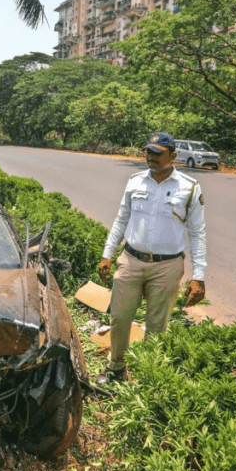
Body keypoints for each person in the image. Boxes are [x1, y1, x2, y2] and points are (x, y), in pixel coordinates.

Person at [95, 132, 207, 383]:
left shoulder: (189, 188)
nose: (151, 157)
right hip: (131, 260)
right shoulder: (135, 181)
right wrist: (107, 253)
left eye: (158, 153)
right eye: (148, 152)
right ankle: (116, 368)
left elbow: (197, 233)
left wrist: (198, 276)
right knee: (120, 317)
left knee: (157, 325)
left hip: (166, 266)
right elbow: (121, 219)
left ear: (173, 156)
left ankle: (148, 376)